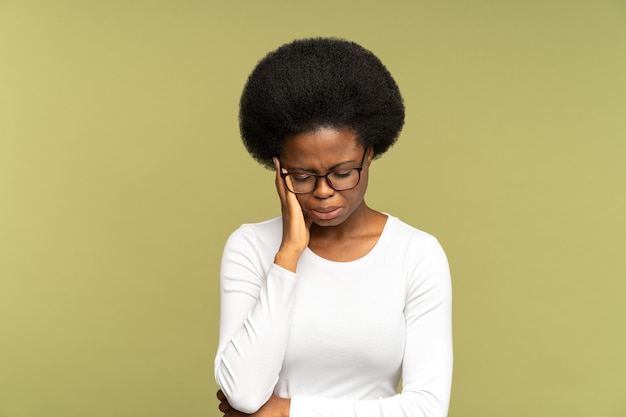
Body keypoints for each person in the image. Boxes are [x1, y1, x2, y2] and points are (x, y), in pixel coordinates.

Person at [214, 37, 453, 417]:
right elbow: (241, 393)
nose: (324, 192)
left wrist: (284, 412)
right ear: (278, 169)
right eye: (303, 176)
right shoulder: (250, 247)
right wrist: (288, 256)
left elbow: (427, 408)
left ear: (369, 155)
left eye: (342, 173)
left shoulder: (416, 254)